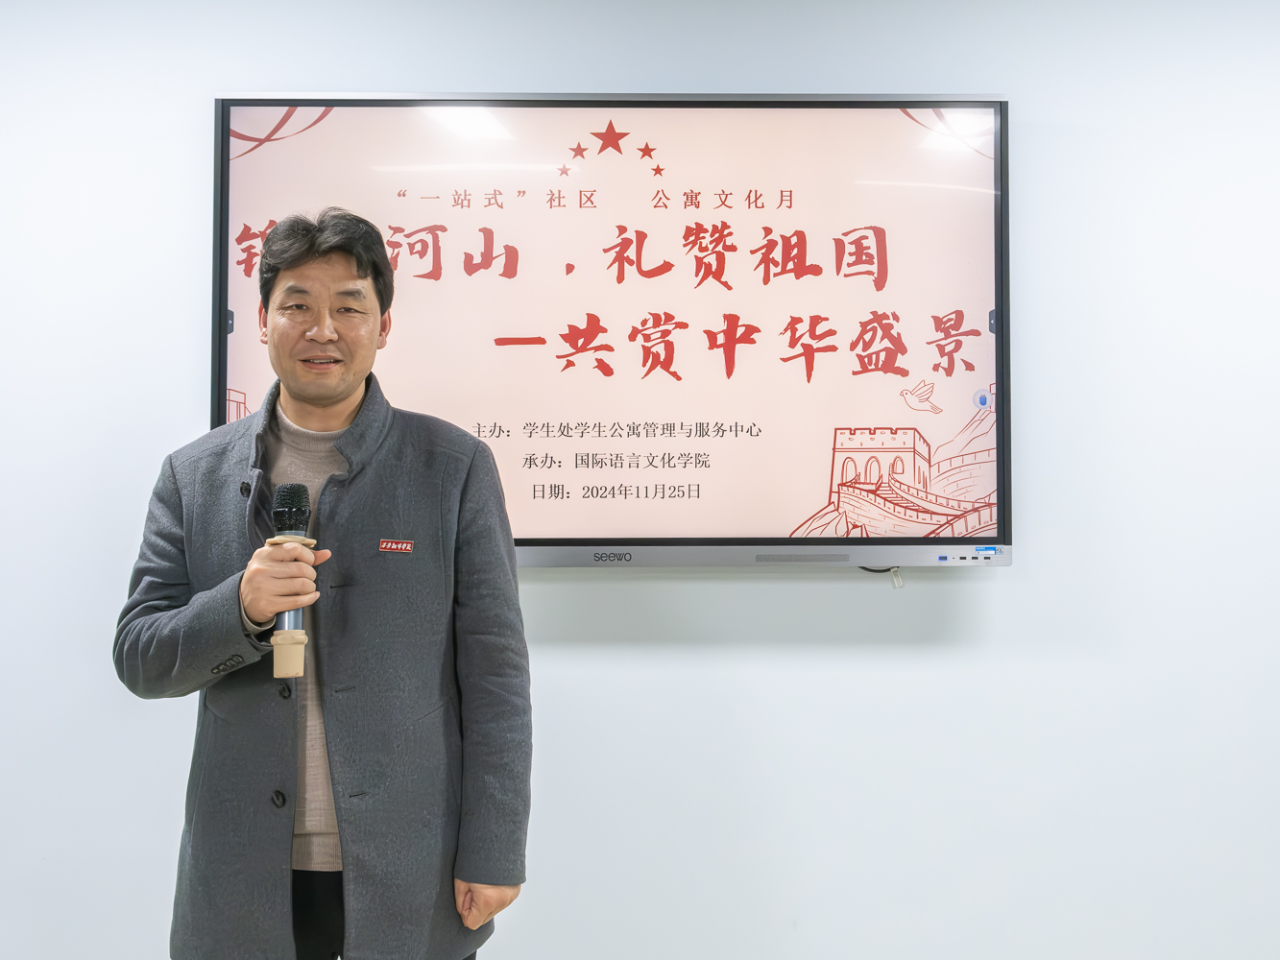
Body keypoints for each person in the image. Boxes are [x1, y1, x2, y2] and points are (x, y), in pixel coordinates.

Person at [114, 208, 532, 960]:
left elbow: (496, 677)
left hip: (410, 863)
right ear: (263, 320)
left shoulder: (453, 468)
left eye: (349, 307)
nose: (323, 329)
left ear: (384, 325)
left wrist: (495, 849)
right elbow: (140, 657)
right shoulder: (192, 476)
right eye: (297, 305)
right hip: (242, 868)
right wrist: (238, 608)